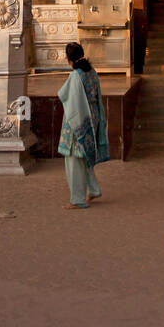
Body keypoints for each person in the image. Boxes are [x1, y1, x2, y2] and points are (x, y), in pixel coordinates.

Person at [57, 41, 109, 209]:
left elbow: (64, 94)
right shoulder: (91, 72)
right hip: (92, 116)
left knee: (74, 160)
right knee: (85, 156)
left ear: (68, 59)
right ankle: (93, 189)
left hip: (79, 119)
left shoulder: (75, 76)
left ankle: (78, 199)